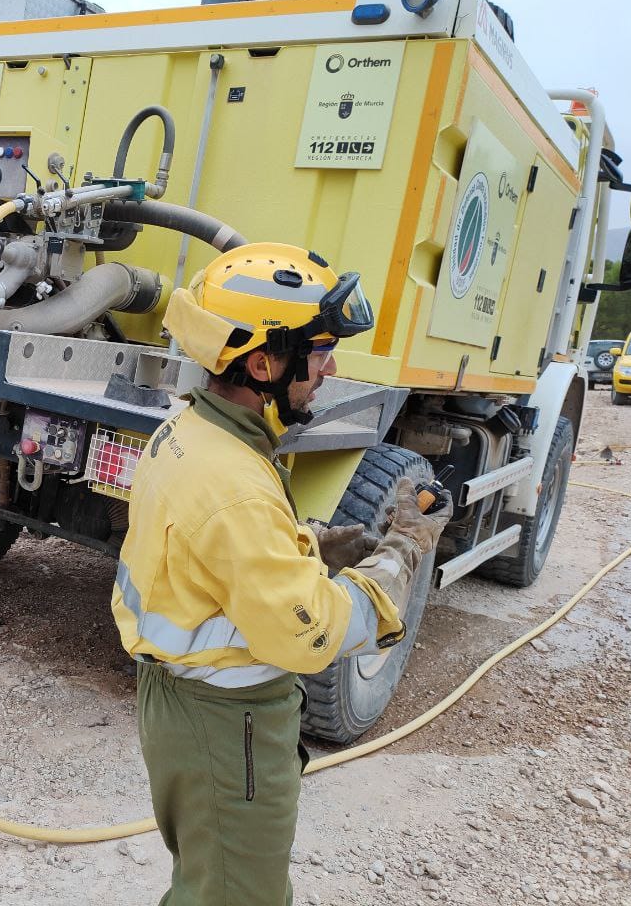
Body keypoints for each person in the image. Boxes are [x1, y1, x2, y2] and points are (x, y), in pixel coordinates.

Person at [111, 242, 452, 906]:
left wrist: (322, 547)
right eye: (317, 349)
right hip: (225, 722)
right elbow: (312, 635)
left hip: (184, 703)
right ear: (264, 362)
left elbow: (219, 557)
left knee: (209, 882)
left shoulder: (193, 434)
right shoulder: (236, 481)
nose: (328, 367)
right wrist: (402, 551)